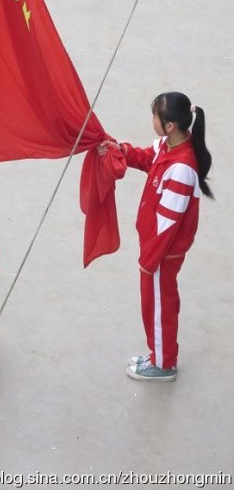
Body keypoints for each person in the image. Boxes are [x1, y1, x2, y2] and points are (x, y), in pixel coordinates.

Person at [99, 92, 213, 382]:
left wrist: (148, 263)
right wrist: (121, 150)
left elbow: (167, 225)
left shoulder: (182, 170)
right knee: (159, 304)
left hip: (162, 254)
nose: (152, 121)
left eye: (155, 117)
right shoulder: (167, 146)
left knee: (159, 307)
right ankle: (158, 355)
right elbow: (147, 158)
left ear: (170, 125)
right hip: (156, 248)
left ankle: (163, 364)